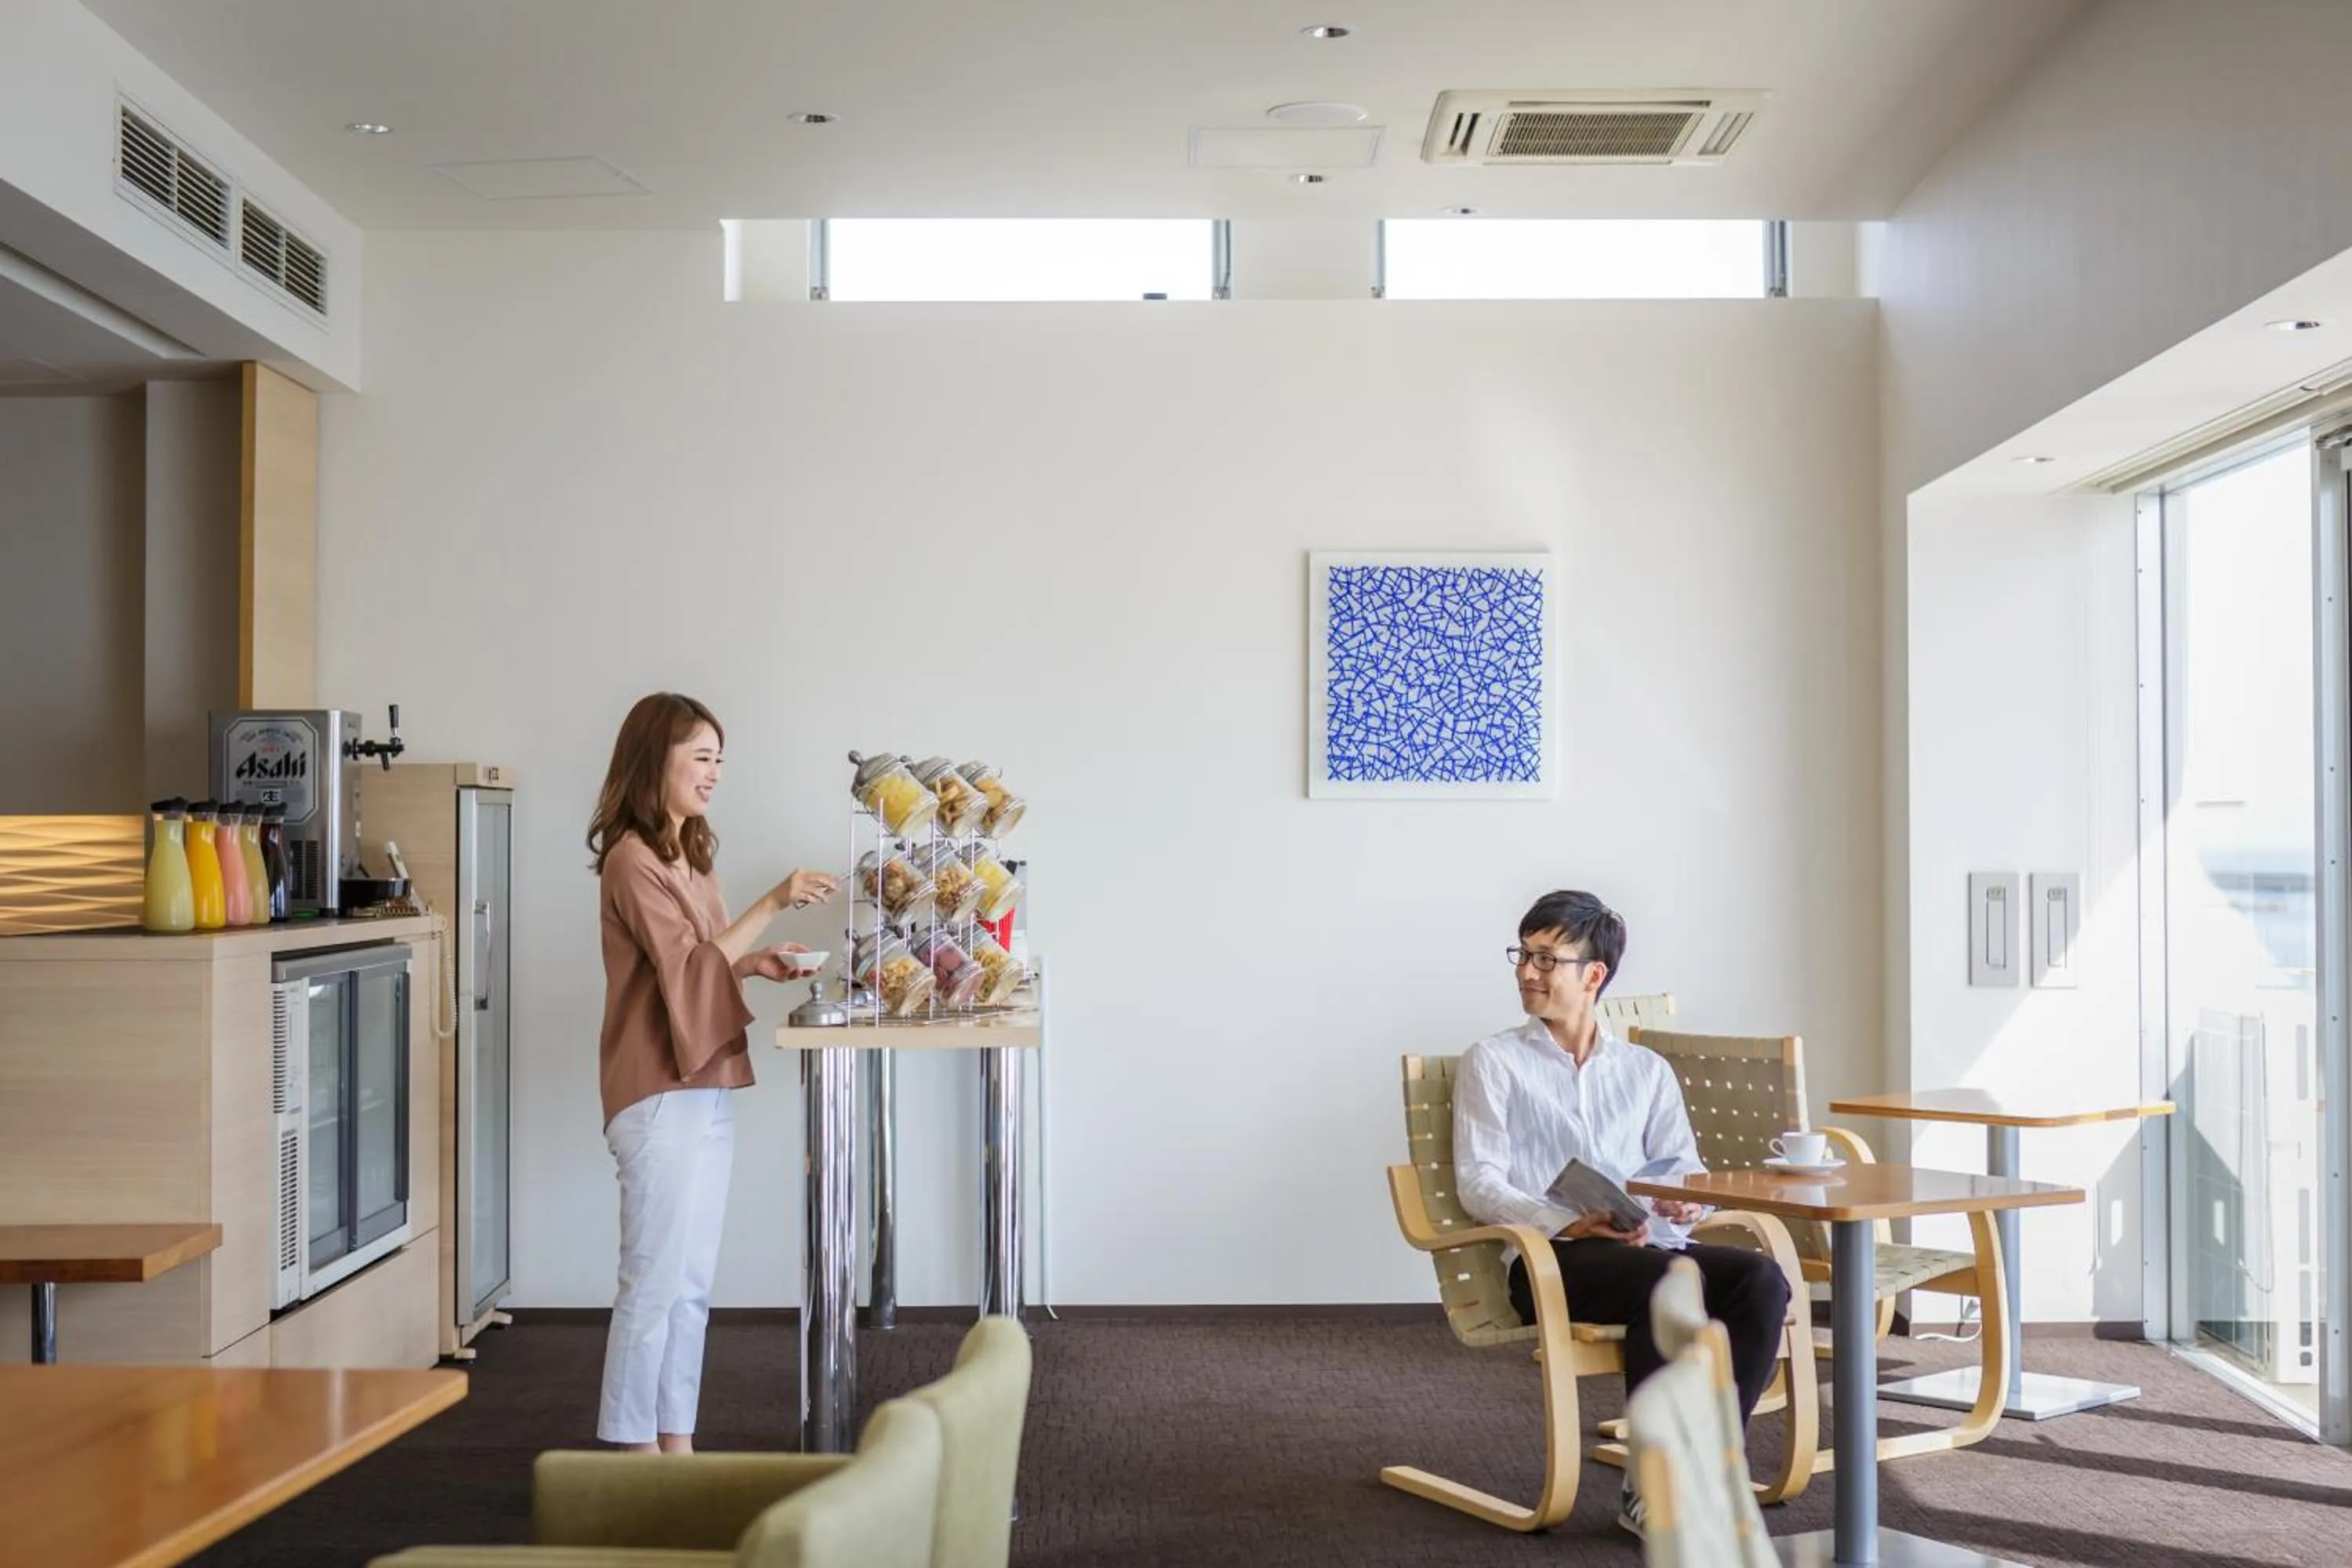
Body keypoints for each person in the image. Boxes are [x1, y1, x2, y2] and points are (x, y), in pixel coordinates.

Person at [1453, 890, 1791, 1538]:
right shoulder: (1494, 1061)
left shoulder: (1646, 1071)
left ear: (1594, 975)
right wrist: (1566, 1223)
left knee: (1761, 1281)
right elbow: (1478, 1181)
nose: (1527, 972)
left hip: (1653, 1248)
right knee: (1668, 1285)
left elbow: (1680, 1168)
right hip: (1552, 1260)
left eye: (1546, 959)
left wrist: (1684, 1200)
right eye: (1522, 955)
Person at [586, 691, 840, 1453]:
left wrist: (757, 960)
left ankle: (676, 1445)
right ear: (652, 760)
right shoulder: (632, 860)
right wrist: (772, 901)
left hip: (706, 1083)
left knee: (690, 1286)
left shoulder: (688, 854)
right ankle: (631, 1458)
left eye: (718, 758)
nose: (714, 773)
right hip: (658, 1092)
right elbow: (690, 965)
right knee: (653, 1282)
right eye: (701, 755)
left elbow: (706, 969)